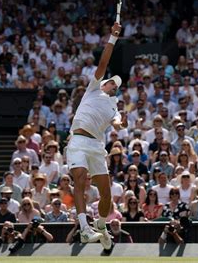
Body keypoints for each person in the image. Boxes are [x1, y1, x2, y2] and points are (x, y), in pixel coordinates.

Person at [66, 22, 125, 249]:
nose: (111, 83)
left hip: (97, 146)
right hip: (79, 141)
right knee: (80, 179)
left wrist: (121, 123)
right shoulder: (93, 88)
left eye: (114, 84)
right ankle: (84, 229)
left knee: (106, 196)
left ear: (115, 90)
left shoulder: (114, 107)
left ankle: (101, 225)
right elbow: (103, 62)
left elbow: (117, 123)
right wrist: (112, 38)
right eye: (111, 80)